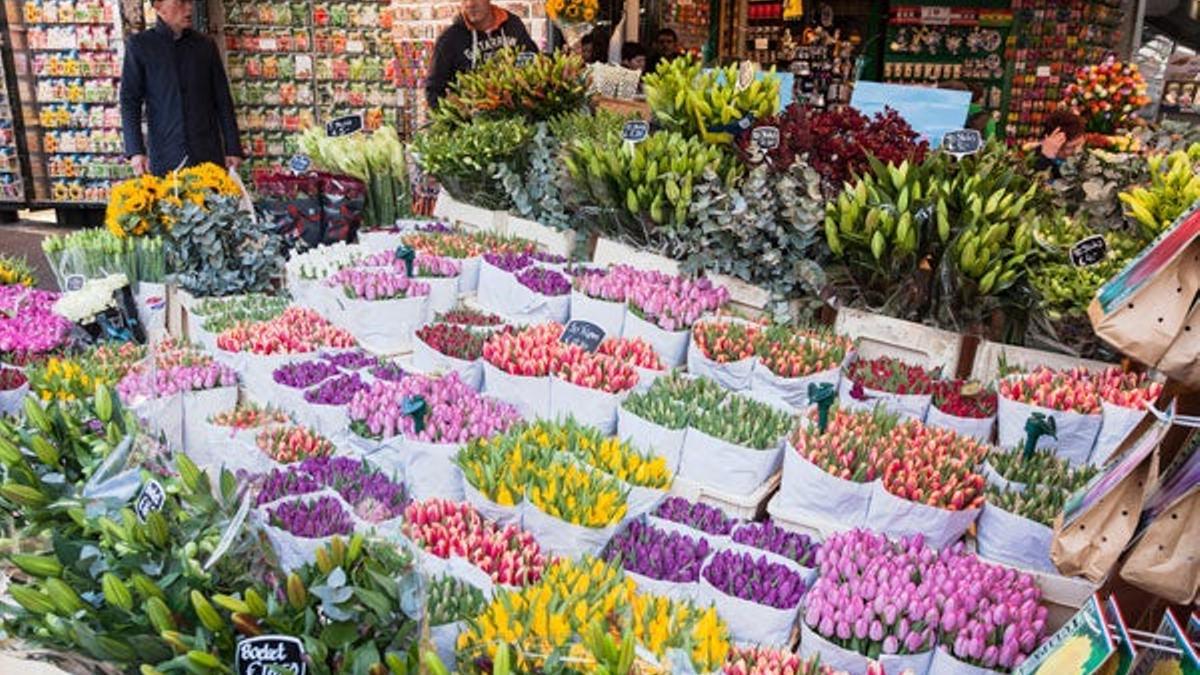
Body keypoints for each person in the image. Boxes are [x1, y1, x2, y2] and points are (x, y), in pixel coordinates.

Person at [120, 0, 242, 177]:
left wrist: (233, 147)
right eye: (180, 3)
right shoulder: (140, 46)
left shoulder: (205, 45)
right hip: (165, 153)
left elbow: (222, 99)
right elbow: (129, 101)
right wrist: (135, 151)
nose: (189, 8)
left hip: (206, 153)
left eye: (190, 2)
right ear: (158, 6)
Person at [424, 0, 538, 108]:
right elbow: (433, 90)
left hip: (517, 117)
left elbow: (534, 62)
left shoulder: (513, 26)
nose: (470, 4)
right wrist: (457, 112)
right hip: (473, 124)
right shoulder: (449, 39)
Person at [1032, 110, 1087, 176]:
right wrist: (1046, 158)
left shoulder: (1089, 157)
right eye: (1070, 147)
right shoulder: (1034, 160)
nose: (1077, 150)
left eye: (1079, 144)